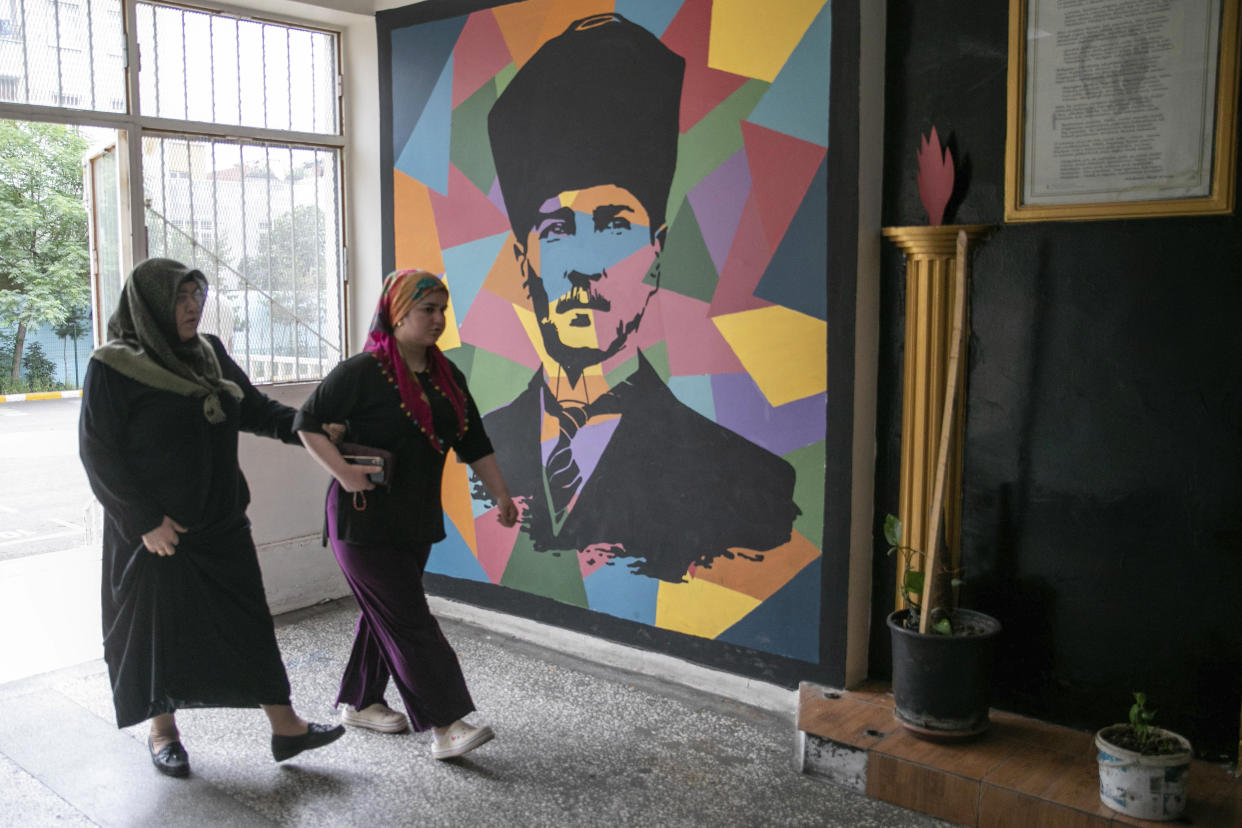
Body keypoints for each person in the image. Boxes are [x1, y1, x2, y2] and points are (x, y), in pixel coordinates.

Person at [483, 14, 800, 583]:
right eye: (556, 230)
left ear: (657, 256)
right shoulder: (477, 453)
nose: (583, 264)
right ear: (522, 260)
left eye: (612, 225)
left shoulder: (753, 487)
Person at [78, 258, 345, 778]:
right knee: (158, 632)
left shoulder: (209, 354)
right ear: (150, 305)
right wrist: (144, 520)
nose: (193, 307)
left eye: (197, 295)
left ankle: (286, 727)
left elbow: (253, 409)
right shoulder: (113, 366)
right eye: (180, 298)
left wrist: (308, 428)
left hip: (220, 520)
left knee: (248, 621)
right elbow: (98, 452)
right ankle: (163, 732)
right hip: (160, 533)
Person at [296, 269, 518, 760]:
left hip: (413, 518)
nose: (439, 319)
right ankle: (447, 724)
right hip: (361, 520)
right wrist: (346, 474)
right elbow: (306, 424)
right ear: (398, 314)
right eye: (427, 309)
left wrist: (501, 495)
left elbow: (473, 440)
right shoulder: (361, 371)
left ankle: (360, 700)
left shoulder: (446, 376)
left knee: (389, 612)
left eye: (443, 309)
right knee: (410, 619)